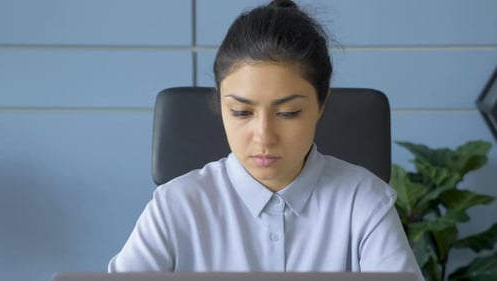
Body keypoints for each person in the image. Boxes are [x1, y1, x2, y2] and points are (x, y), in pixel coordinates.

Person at [108, 1, 424, 280]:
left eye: (287, 113)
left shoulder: (364, 202)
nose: (264, 137)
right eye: (242, 112)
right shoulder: (176, 206)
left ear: (321, 103)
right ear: (221, 105)